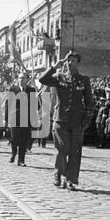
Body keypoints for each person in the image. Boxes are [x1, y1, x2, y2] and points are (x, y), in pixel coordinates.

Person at [39, 50, 94, 190]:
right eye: (68, 60)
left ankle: (70, 180)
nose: (70, 63)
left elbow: (89, 102)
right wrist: (54, 67)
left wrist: (86, 122)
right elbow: (42, 80)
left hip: (77, 122)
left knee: (75, 152)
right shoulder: (59, 77)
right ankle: (58, 173)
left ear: (78, 63)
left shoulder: (84, 80)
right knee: (62, 149)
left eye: (73, 60)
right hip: (60, 120)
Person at [6, 72, 36, 166]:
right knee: (14, 139)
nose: (21, 80)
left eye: (23, 78)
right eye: (19, 78)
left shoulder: (32, 90)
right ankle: (14, 153)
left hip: (26, 119)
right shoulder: (13, 89)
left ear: (27, 79)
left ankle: (21, 160)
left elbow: (36, 106)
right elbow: (8, 104)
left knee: (23, 140)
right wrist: (6, 118)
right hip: (14, 118)